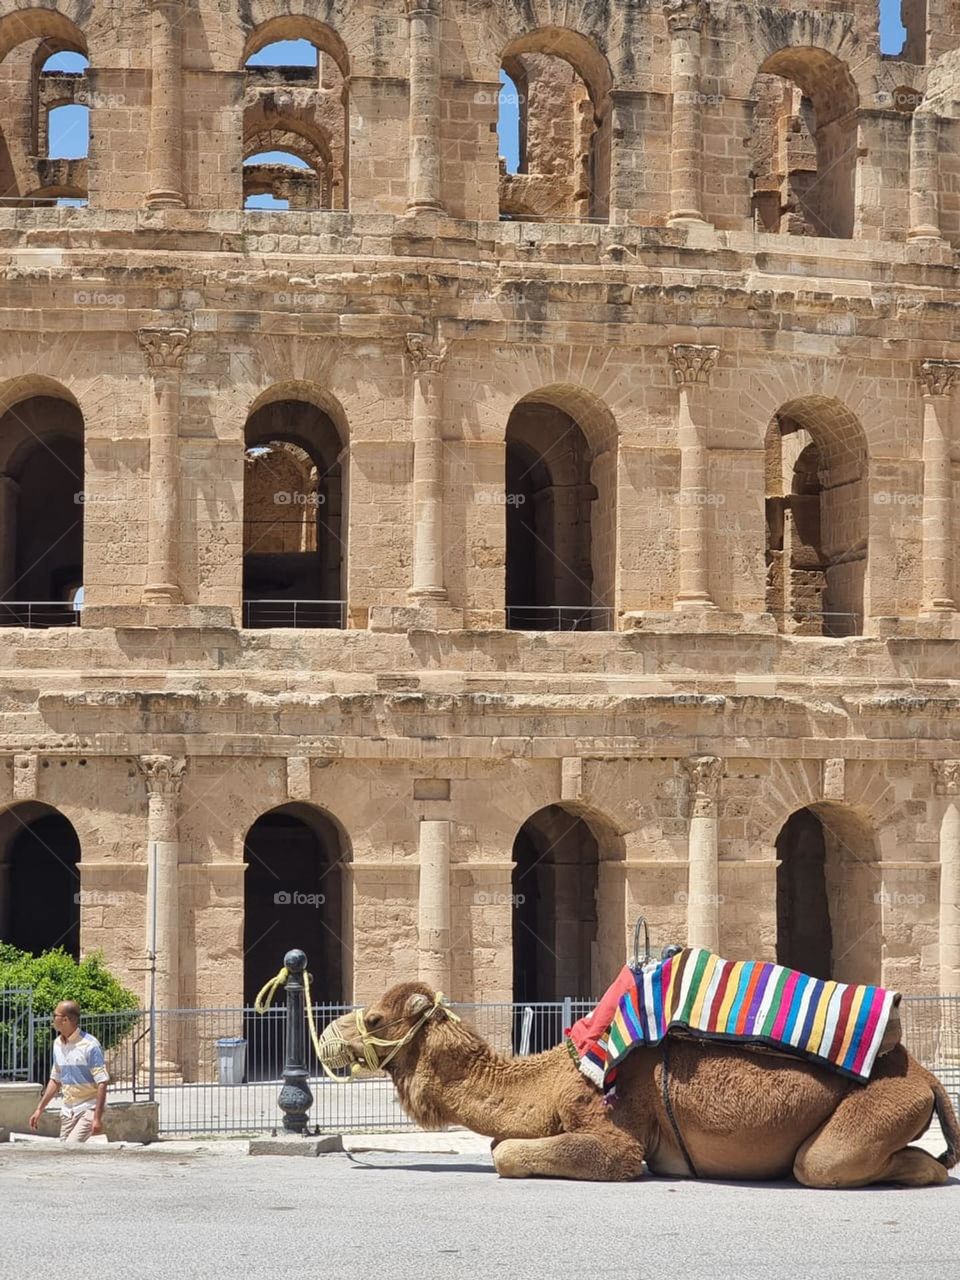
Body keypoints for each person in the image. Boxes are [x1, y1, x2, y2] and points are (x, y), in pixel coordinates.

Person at [28, 1001, 109, 1143]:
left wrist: (97, 1118)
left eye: (55, 1015)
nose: (52, 1019)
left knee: (70, 1147)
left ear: (65, 1019)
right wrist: (39, 1109)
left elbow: (102, 1082)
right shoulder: (57, 1044)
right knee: (66, 1156)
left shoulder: (90, 1045)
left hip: (88, 1107)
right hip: (68, 1111)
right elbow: (55, 1079)